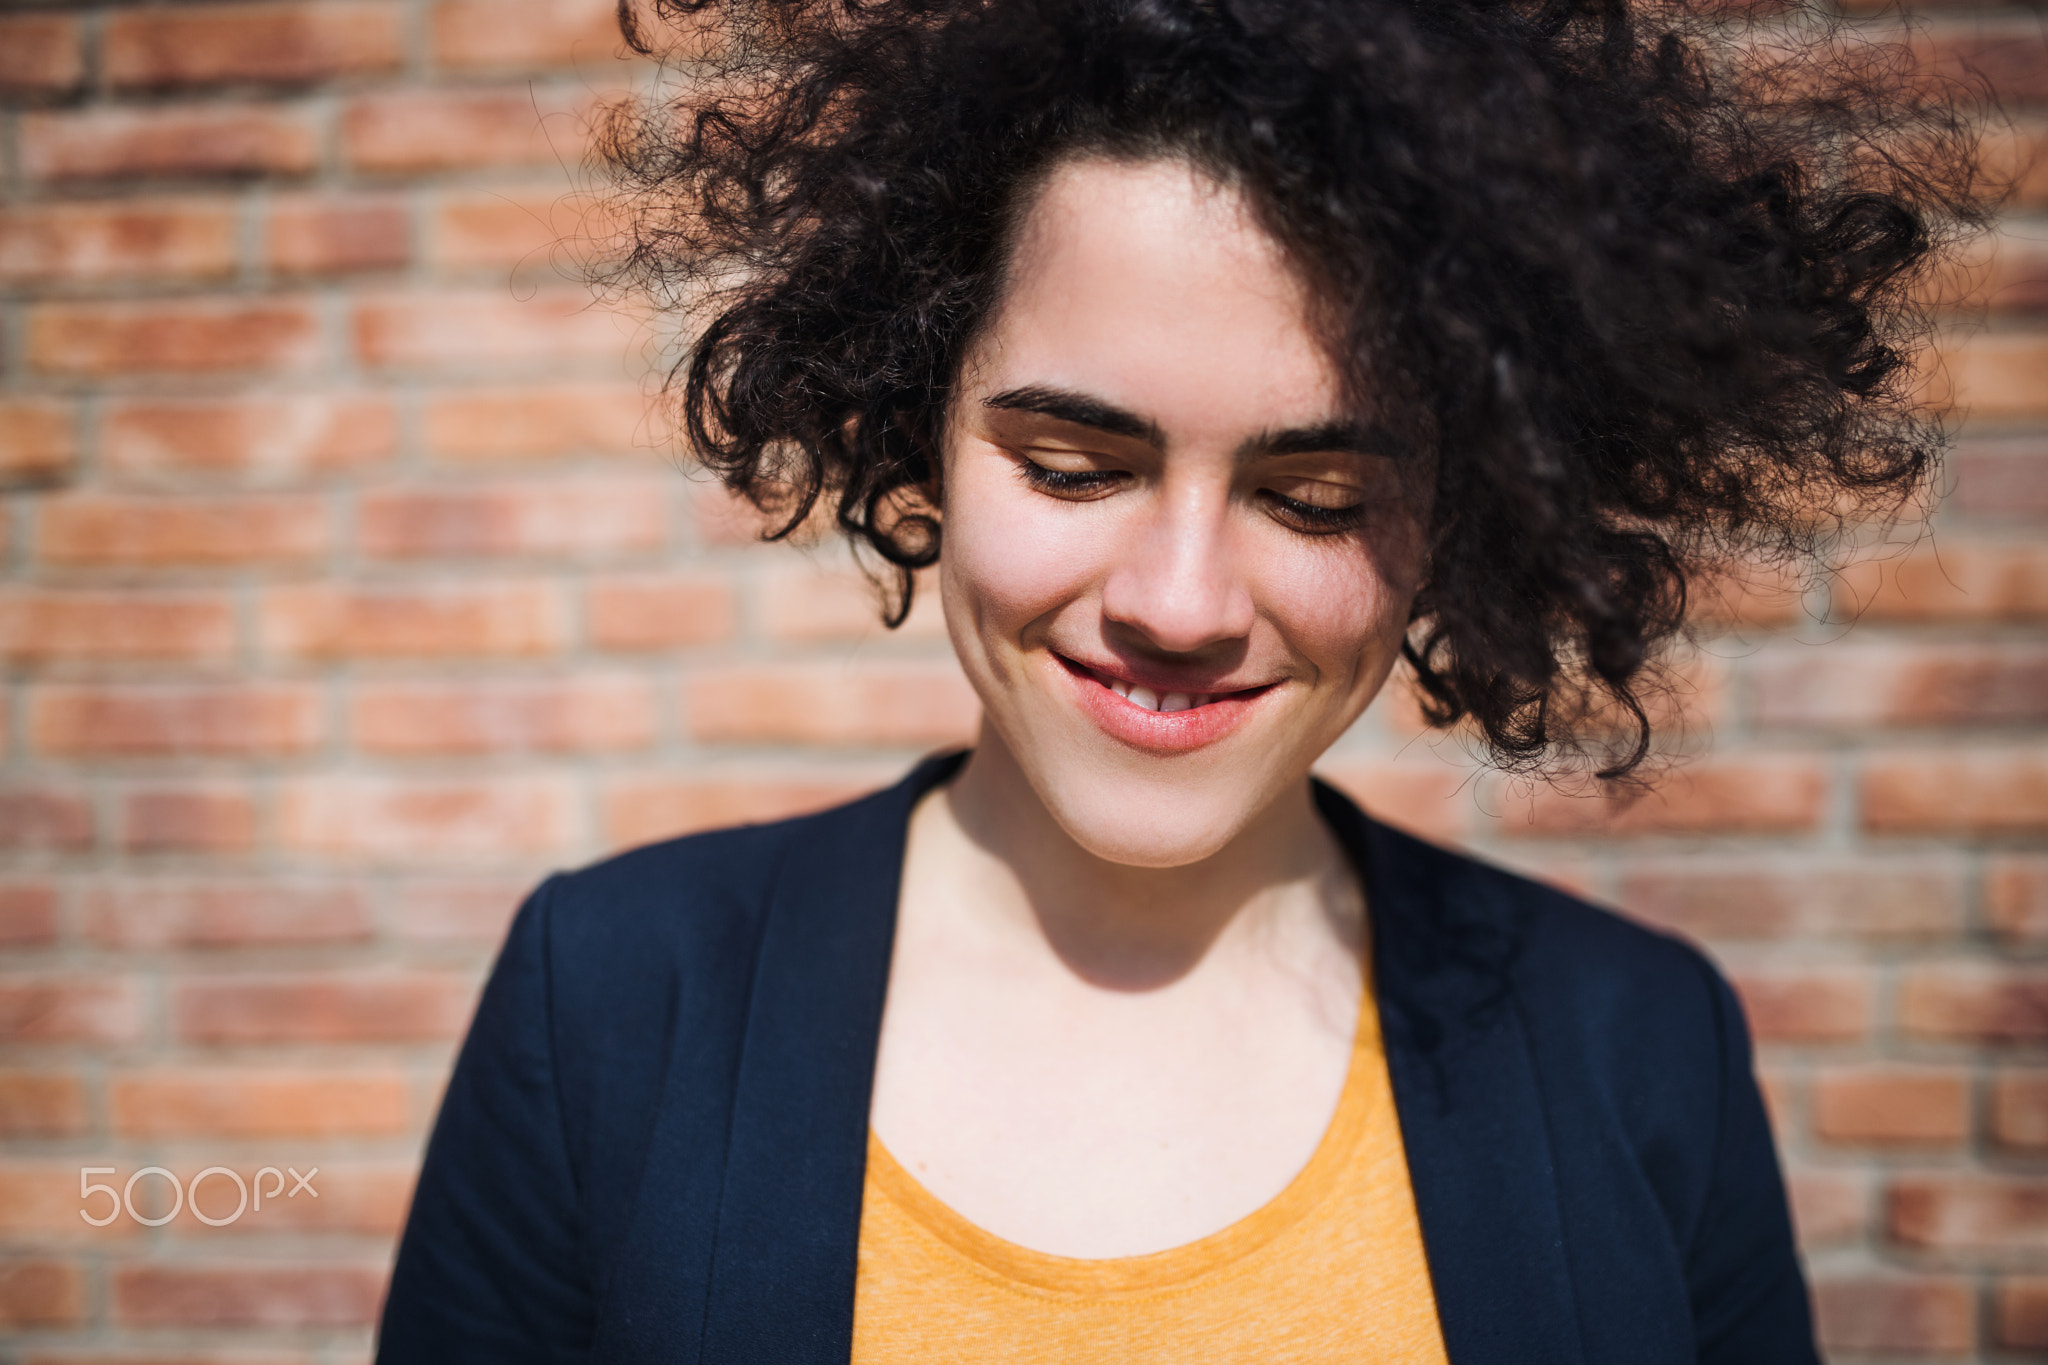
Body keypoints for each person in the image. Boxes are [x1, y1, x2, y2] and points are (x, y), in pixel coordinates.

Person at [375, 0, 1986, 1360]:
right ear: (914, 419)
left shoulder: (1639, 1049)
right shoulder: (608, 1003)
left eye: (1318, 499)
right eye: (1076, 466)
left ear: (1471, 502)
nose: (1178, 602)